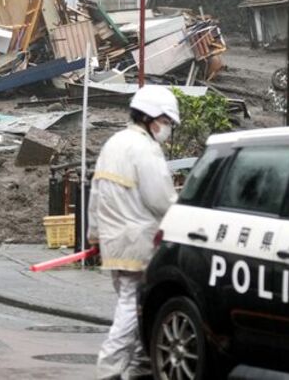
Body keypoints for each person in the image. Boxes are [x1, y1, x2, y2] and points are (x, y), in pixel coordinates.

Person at [88, 85, 180, 380]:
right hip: (139, 243)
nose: (165, 128)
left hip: (115, 243)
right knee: (132, 307)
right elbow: (161, 199)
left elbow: (96, 192)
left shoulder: (114, 143)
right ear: (150, 117)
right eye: (165, 121)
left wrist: (94, 234)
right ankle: (109, 369)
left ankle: (142, 365)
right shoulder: (145, 148)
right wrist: (183, 216)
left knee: (139, 306)